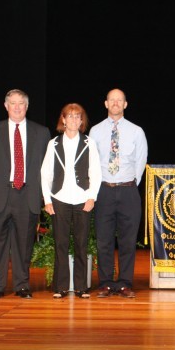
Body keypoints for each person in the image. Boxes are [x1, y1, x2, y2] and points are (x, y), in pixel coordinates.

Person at [0, 89, 50, 299]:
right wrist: (0, 181)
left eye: (21, 103)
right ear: (6, 106)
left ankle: (22, 286)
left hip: (27, 196)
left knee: (23, 245)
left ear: (27, 107)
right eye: (13, 103)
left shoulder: (41, 132)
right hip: (0, 194)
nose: (17, 107)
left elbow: (46, 166)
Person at [88, 88, 148, 298]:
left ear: (125, 104)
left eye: (119, 100)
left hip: (128, 191)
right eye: (112, 100)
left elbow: (140, 163)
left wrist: (129, 184)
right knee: (103, 240)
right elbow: (91, 163)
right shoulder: (94, 131)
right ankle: (105, 282)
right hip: (103, 191)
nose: (115, 103)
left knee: (127, 240)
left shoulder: (137, 131)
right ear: (106, 104)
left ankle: (124, 283)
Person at [41, 103, 101, 299]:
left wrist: (92, 197)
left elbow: (95, 172)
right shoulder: (54, 144)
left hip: (83, 199)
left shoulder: (88, 143)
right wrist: (47, 199)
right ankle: (60, 287)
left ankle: (82, 287)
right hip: (59, 199)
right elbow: (45, 173)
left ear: (82, 121)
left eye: (78, 116)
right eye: (70, 116)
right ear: (63, 119)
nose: (74, 120)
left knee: (82, 244)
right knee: (61, 243)